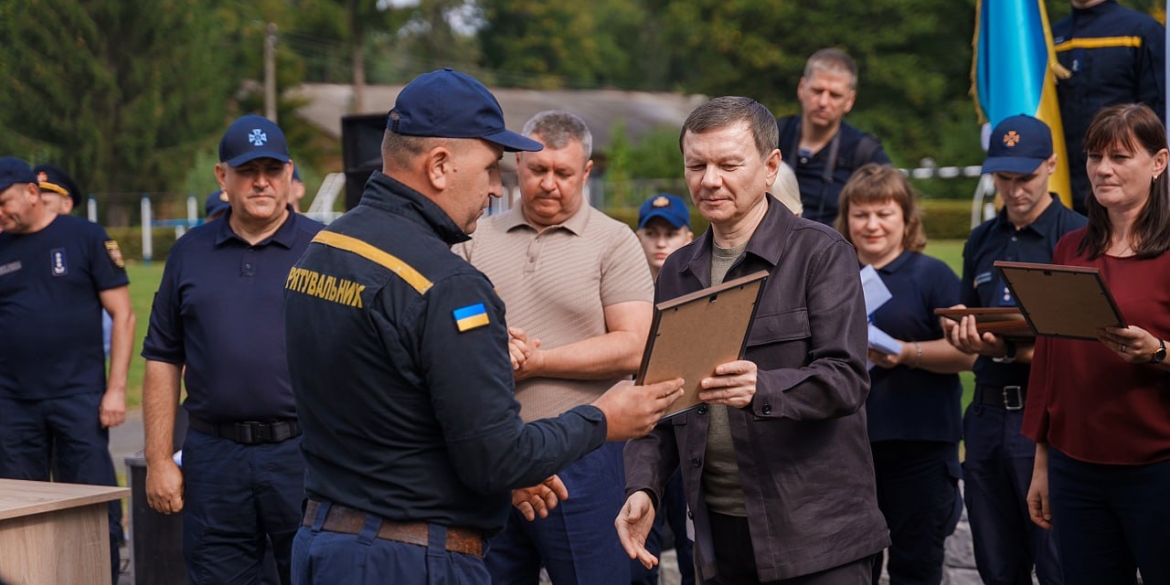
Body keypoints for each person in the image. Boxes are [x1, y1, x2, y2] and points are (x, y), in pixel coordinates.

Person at [282, 68, 683, 585]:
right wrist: (602, 418)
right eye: (494, 167)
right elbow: (498, 458)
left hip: (324, 542)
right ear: (441, 165)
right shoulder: (446, 281)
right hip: (409, 559)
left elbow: (388, 406)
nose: (497, 189)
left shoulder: (324, 250)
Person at [618, 96, 889, 584]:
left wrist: (762, 388)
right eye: (696, 165)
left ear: (770, 167)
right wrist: (645, 488)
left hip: (816, 535)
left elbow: (847, 378)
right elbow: (659, 399)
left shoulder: (821, 254)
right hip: (720, 536)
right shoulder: (678, 270)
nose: (709, 180)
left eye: (728, 164)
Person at [452, 109, 654, 585]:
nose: (548, 184)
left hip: (584, 454)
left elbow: (634, 346)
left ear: (586, 171)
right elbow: (445, 322)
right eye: (537, 170)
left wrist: (536, 361)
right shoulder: (473, 237)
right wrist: (492, 344)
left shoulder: (613, 241)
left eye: (563, 173)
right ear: (516, 166)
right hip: (494, 451)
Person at [141, 114, 323, 585]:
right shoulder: (189, 253)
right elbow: (162, 357)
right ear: (223, 177)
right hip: (214, 456)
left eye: (272, 169)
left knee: (313, 573)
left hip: (303, 453)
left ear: (289, 174)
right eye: (247, 170)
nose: (261, 182)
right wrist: (159, 459)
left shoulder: (326, 248)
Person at [1024, 103, 1170, 584]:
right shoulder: (1071, 248)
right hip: (1076, 469)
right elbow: (1050, 361)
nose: (1102, 169)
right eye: (1093, 155)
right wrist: (1043, 462)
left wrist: (1160, 352)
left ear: (1159, 162)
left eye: (1120, 156)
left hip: (1156, 467)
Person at [943, 114, 1082, 585]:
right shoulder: (981, 240)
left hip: (1049, 419)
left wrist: (1011, 350)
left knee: (1058, 562)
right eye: (1004, 178)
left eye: (1026, 177)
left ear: (1052, 165)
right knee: (996, 563)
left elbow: (1085, 343)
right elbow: (970, 315)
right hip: (985, 416)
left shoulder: (1078, 236)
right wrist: (964, 335)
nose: (1015, 190)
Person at [835, 164, 973, 585]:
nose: (872, 225)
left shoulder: (932, 276)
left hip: (919, 450)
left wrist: (907, 353)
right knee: (849, 570)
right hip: (846, 451)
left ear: (906, 218)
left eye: (884, 213)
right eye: (861, 214)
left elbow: (967, 355)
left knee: (916, 566)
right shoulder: (831, 277)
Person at [0, 156, 134, 585]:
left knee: (90, 501)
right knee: (18, 509)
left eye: (4, 202)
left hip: (79, 396)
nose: (0, 213)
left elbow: (124, 315)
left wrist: (115, 390)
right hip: (12, 402)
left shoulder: (85, 237)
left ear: (32, 193)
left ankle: (102, 575)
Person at [632, 193, 695, 585]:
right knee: (642, 543)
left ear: (688, 236)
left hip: (688, 425)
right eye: (651, 232)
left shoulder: (700, 285)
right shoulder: (626, 290)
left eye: (670, 233)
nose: (660, 242)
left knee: (693, 546)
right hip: (640, 431)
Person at [1053, 0, 1165, 213]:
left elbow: (1159, 117)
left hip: (1128, 193)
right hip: (1065, 190)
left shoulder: (1142, 32)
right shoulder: (1050, 37)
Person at [777, 48, 891, 226]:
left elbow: (892, 210)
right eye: (817, 91)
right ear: (801, 88)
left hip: (835, 251)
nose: (823, 102)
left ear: (849, 101)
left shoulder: (864, 153)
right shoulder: (772, 136)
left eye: (835, 95)